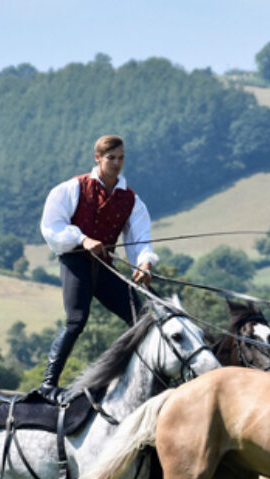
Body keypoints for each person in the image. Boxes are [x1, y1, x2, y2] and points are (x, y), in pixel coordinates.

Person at [38, 134, 160, 399]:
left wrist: (145, 263)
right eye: (111, 158)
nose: (116, 163)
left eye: (121, 158)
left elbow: (139, 240)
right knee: (76, 320)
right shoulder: (72, 189)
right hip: (76, 261)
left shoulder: (131, 200)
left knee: (143, 319)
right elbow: (52, 227)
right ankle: (48, 384)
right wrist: (83, 238)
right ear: (98, 158)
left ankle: (138, 380)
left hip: (105, 266)